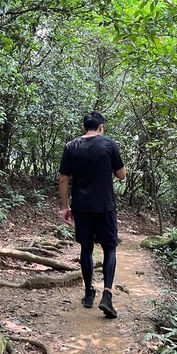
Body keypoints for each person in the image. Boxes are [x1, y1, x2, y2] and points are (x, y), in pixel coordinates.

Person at [59, 111, 126, 318]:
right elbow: (122, 175)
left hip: (81, 206)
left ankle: (88, 293)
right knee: (110, 249)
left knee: (86, 249)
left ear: (84, 128)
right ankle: (107, 294)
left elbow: (63, 179)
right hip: (105, 205)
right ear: (101, 127)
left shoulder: (71, 147)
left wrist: (65, 206)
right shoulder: (109, 145)